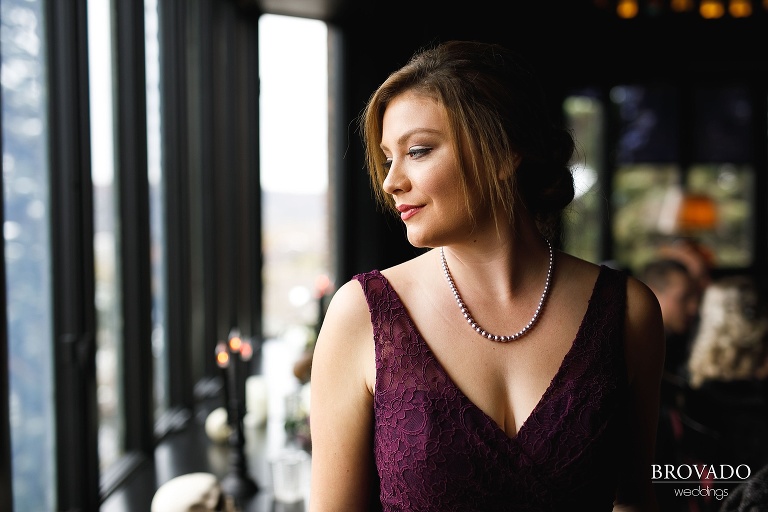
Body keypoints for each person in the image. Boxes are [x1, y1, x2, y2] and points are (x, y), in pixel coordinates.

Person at [308, 40, 665, 511]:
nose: (392, 181)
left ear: (503, 153)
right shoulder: (364, 315)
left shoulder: (627, 311)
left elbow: (633, 502)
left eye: (417, 150)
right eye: (387, 158)